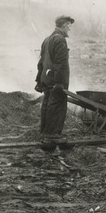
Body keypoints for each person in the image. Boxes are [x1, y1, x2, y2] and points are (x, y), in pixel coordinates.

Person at [35, 15, 75, 148]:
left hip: (47, 79)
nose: (70, 28)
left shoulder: (47, 39)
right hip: (56, 81)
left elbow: (41, 62)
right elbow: (61, 64)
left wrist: (39, 80)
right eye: (69, 25)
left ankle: (45, 133)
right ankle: (53, 135)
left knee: (47, 104)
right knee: (57, 106)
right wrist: (59, 83)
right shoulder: (60, 39)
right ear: (64, 25)